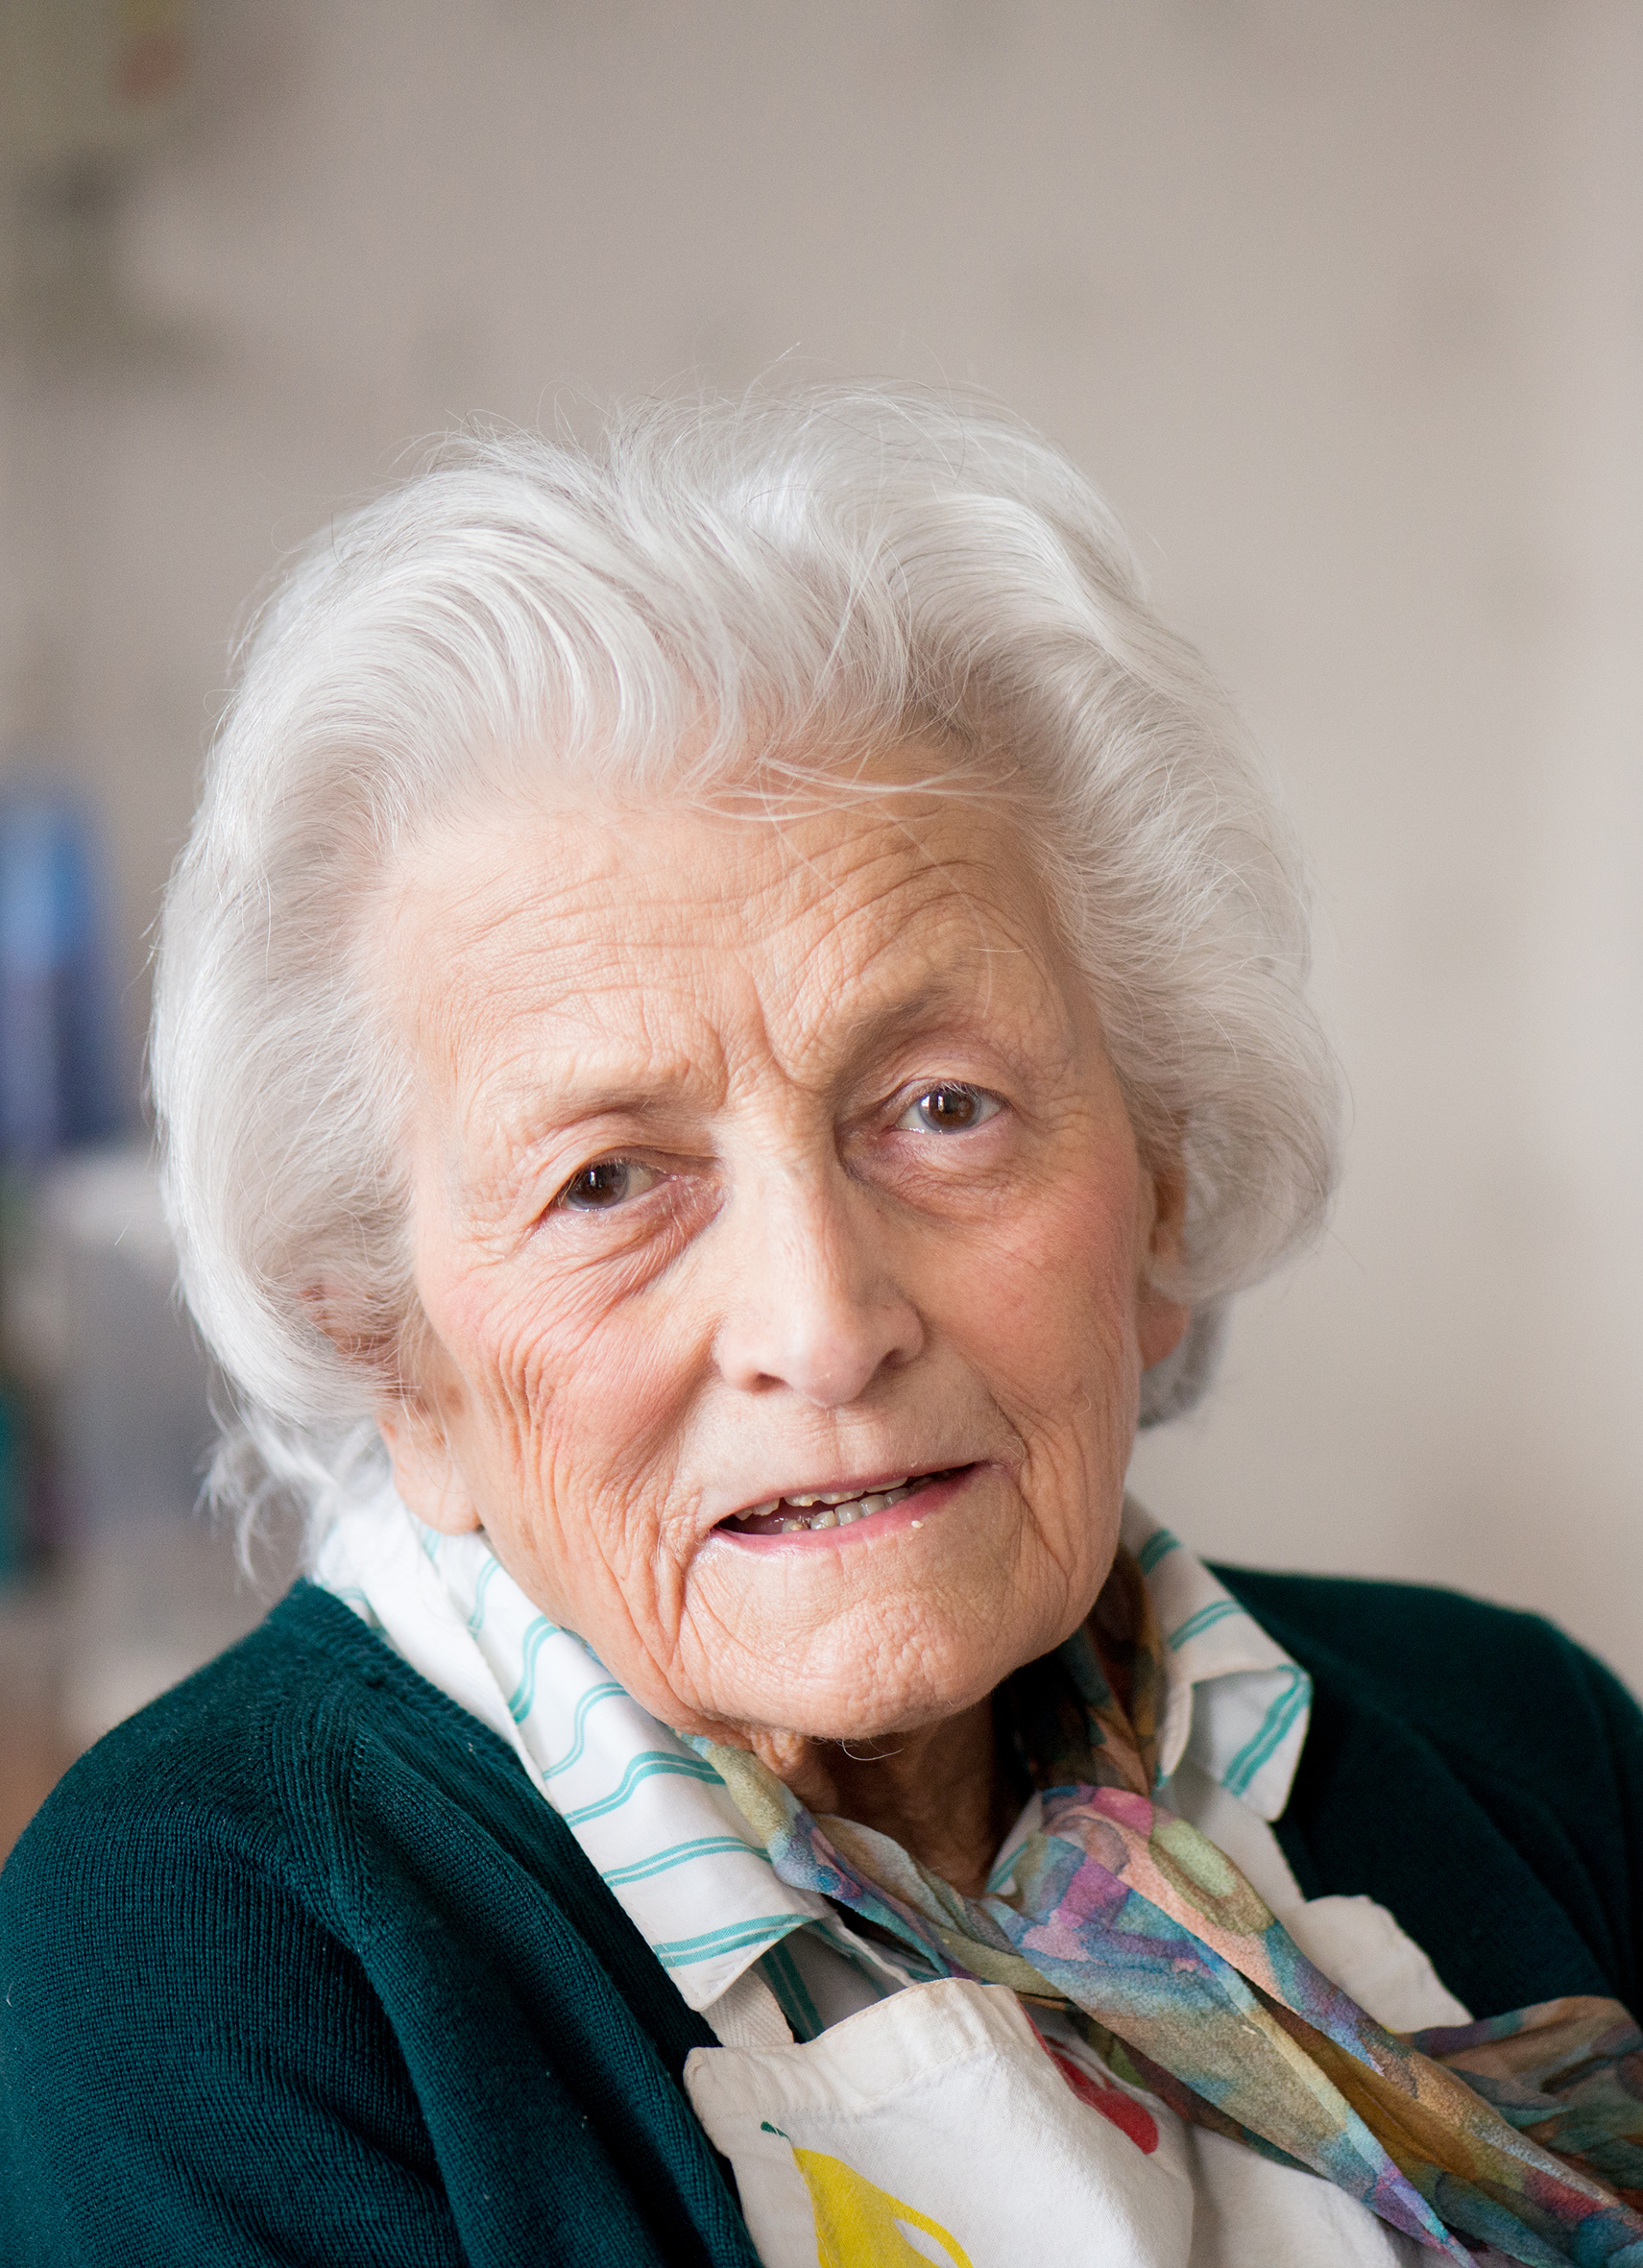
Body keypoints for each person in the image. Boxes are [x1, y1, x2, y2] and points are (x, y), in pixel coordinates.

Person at [1, 387, 1637, 2268]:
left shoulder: (1518, 1742)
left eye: (942, 1108)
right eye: (610, 1177)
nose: (822, 1320)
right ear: (402, 1360)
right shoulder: (222, 1940)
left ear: (1164, 1189)